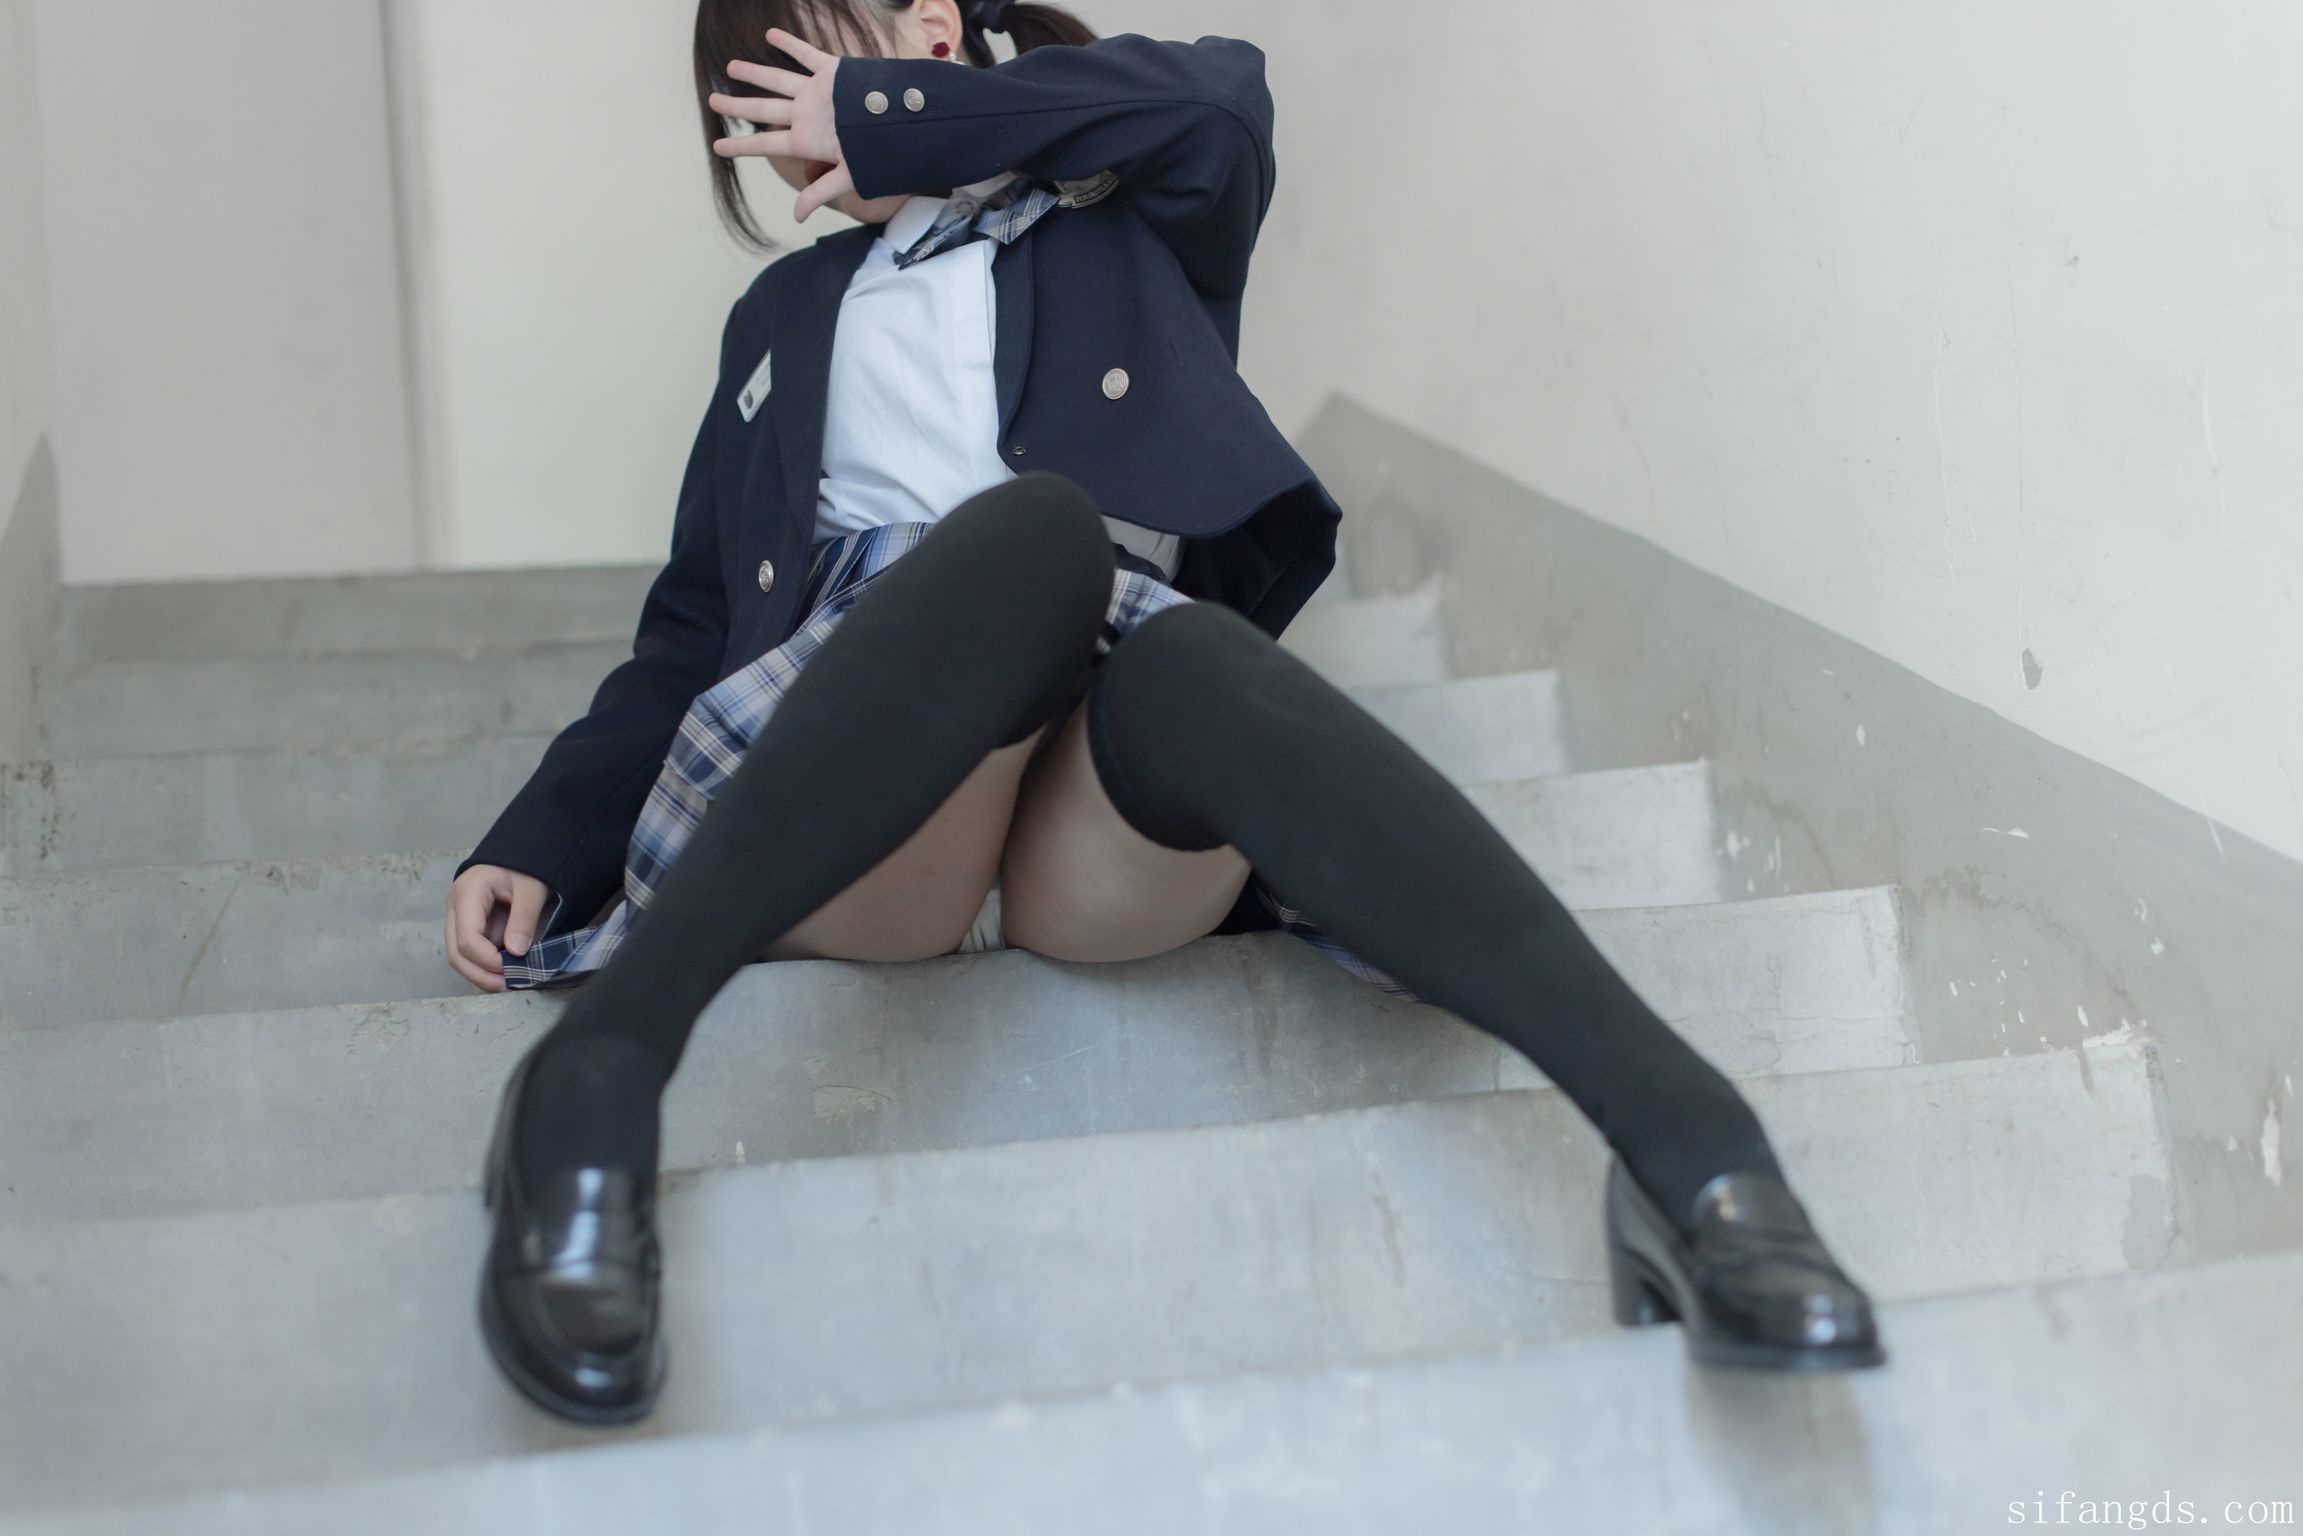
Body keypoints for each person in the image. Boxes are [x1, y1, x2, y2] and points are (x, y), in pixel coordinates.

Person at [445, 0, 1885, 1426]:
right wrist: (546, 836)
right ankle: (599, 1074)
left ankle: (1694, 1147)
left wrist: (899, 121)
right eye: (752, 104)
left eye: (802, 70)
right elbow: (689, 630)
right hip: (863, 788)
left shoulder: (1116, 214)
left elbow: (1221, 104)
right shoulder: (778, 321)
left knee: (1171, 643)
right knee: (1031, 539)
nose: (785, 128)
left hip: (1096, 801)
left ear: (932, 33)